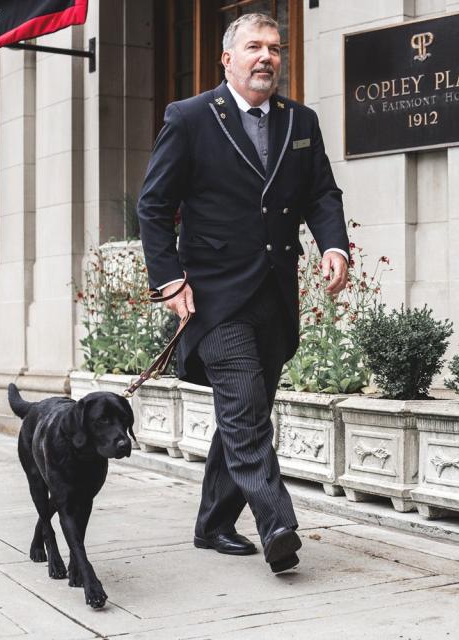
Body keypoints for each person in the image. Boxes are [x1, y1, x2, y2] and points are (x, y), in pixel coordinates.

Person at [136, 12, 349, 573]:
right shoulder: (188, 118)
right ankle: (277, 521)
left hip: (275, 296)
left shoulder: (300, 120)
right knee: (246, 408)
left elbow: (322, 193)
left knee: (246, 412)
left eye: (275, 49)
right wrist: (170, 279)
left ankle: (212, 522)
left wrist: (334, 246)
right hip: (213, 299)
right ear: (226, 59)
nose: (267, 58)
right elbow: (154, 208)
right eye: (254, 47)